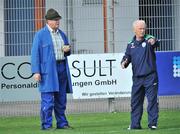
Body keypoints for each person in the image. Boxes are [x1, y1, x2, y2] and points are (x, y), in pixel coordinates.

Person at [31, 8, 72, 130]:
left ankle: (62, 123)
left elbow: (68, 52)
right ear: (48, 21)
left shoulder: (62, 34)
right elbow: (35, 54)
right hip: (48, 71)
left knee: (61, 100)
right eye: (55, 20)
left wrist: (68, 50)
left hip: (62, 68)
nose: (58, 22)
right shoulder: (40, 35)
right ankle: (46, 125)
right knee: (48, 101)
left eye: (58, 19)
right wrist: (36, 71)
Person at [121, 20, 159, 130]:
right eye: (140, 29)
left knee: (152, 100)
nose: (142, 31)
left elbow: (155, 41)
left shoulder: (148, 39)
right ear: (134, 30)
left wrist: (153, 41)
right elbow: (127, 57)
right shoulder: (130, 44)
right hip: (137, 78)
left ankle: (152, 123)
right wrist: (124, 62)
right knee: (135, 102)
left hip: (150, 77)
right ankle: (135, 124)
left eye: (144, 28)